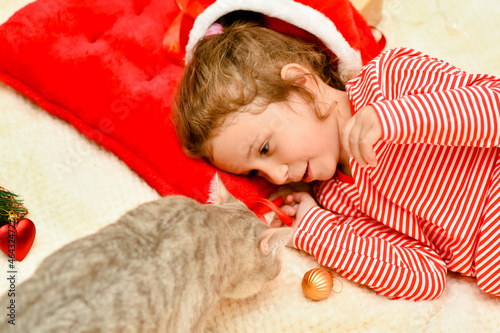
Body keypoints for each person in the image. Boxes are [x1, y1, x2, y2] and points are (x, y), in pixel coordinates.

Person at [173, 20, 500, 301]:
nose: (276, 176)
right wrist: (319, 232)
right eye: (257, 171)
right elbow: (425, 276)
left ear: (301, 84)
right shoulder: (336, 199)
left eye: (265, 149)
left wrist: (397, 118)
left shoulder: (389, 80)